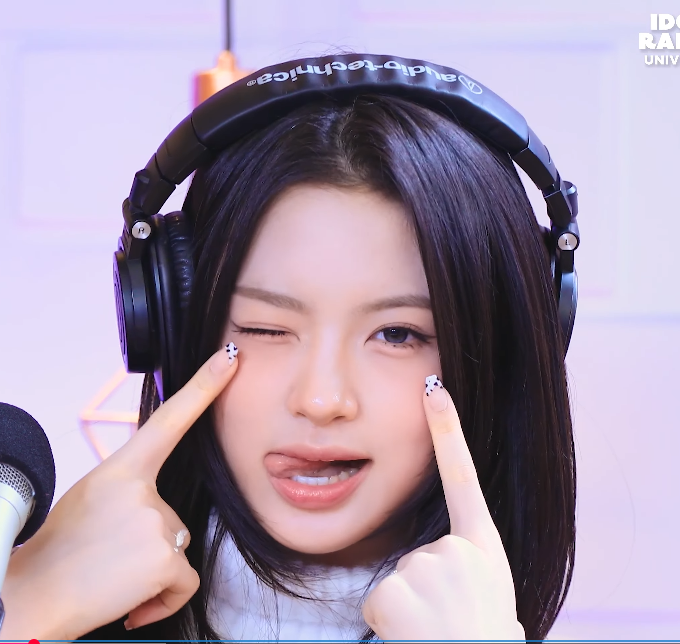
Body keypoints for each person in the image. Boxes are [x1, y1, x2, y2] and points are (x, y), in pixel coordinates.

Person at [2, 55, 576, 642]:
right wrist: (21, 611)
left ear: (501, 354)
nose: (321, 400)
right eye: (266, 329)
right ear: (174, 328)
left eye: (397, 334)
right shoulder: (44, 620)